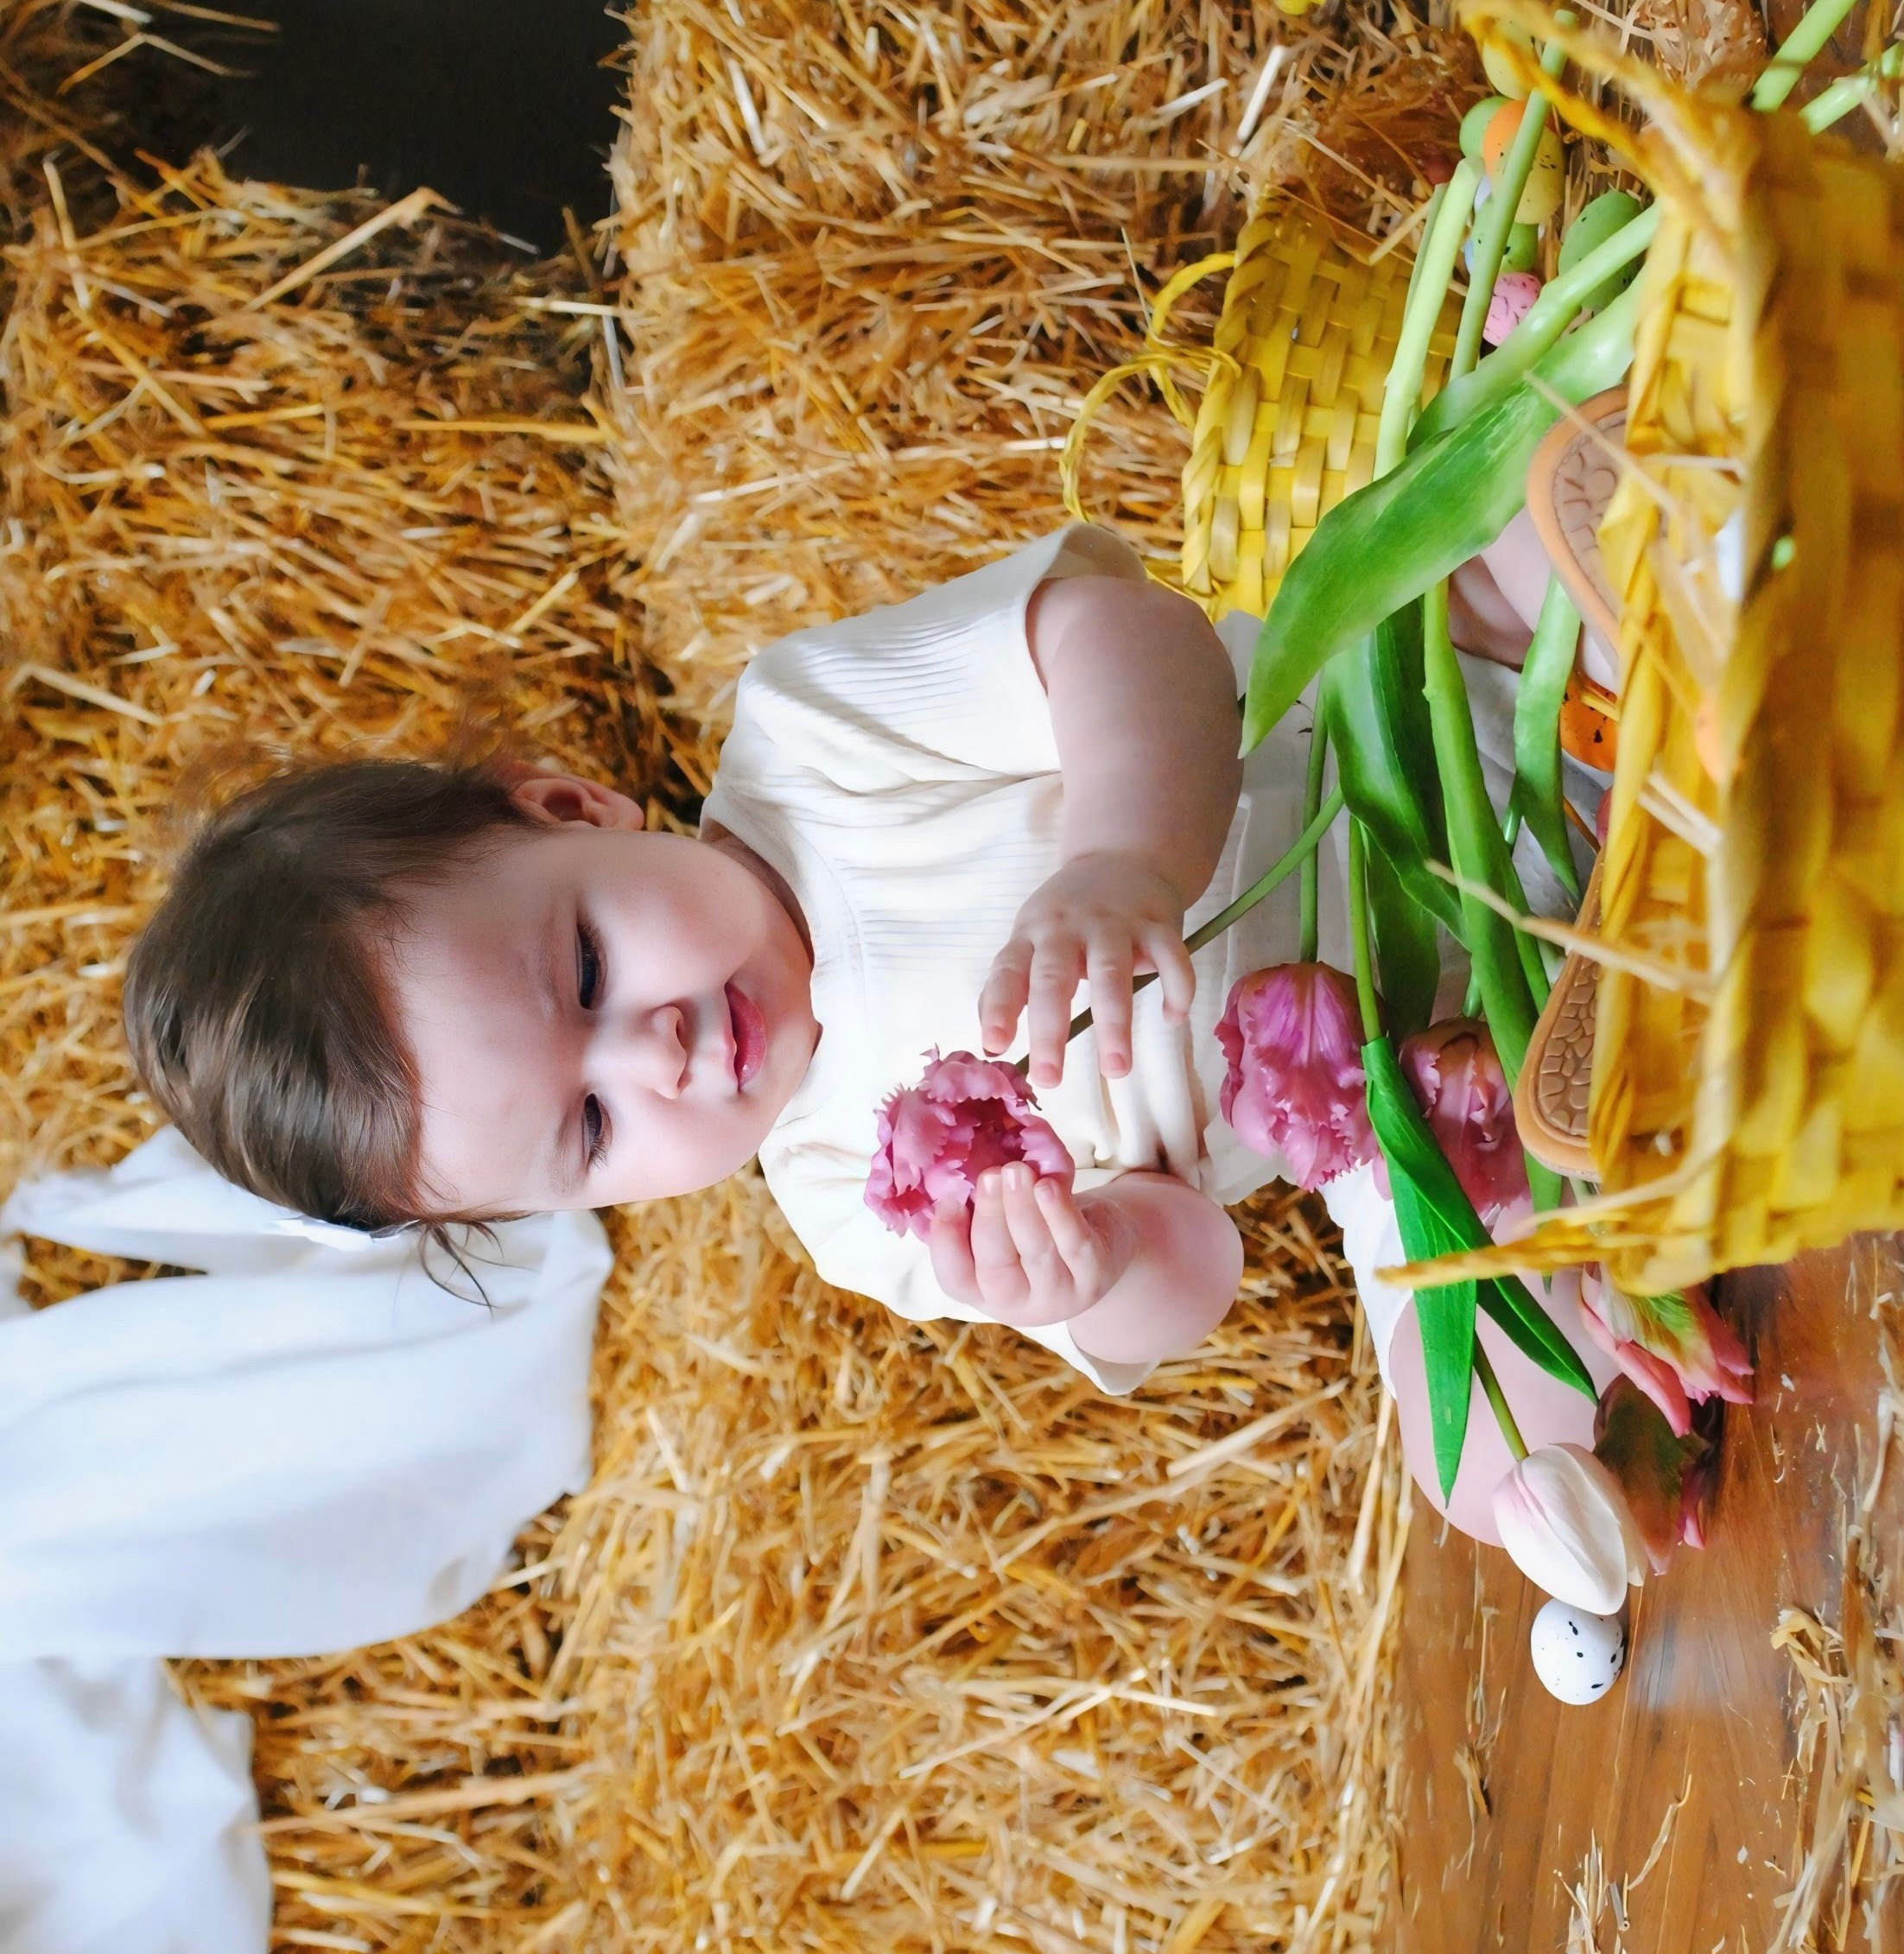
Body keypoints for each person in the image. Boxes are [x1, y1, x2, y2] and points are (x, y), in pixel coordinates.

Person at [124, 521, 1603, 1526]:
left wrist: (1123, 861)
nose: (656, 1050)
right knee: (1481, 1453)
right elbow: (1196, 1260)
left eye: (582, 971)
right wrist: (1091, 1273)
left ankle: (1653, 575)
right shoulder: (847, 1202)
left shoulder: (814, 746)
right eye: (589, 1125)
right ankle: (1601, 1067)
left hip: (1422, 708)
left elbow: (1121, 633)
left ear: (570, 806)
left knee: (1514, 541)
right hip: (1419, 1090)